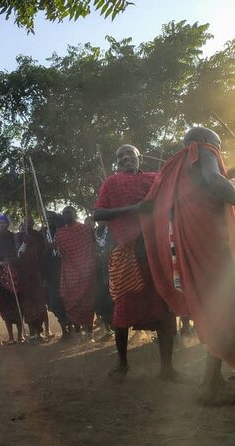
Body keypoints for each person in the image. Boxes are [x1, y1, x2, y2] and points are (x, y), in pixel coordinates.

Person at [141, 127, 235, 400]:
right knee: (224, 309)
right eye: (218, 146)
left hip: (192, 244)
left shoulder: (177, 166)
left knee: (217, 308)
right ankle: (209, 388)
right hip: (212, 245)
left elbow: (210, 181)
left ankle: (213, 379)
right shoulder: (203, 151)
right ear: (209, 142)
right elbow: (214, 181)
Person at [94, 144, 178, 381]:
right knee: (122, 312)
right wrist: (134, 209)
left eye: (129, 153)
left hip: (157, 253)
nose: (124, 158)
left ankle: (167, 369)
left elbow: (172, 203)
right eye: (119, 156)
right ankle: (122, 365)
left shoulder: (156, 178)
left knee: (164, 310)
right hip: (128, 255)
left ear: (139, 157)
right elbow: (97, 214)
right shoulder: (110, 183)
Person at [55, 207, 96, 340]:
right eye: (64, 213)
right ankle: (77, 331)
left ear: (75, 214)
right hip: (70, 272)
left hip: (85, 270)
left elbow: (92, 246)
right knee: (71, 302)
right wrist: (53, 247)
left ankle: (89, 330)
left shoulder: (85, 229)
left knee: (87, 302)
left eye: (69, 212)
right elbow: (58, 252)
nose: (66, 215)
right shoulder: (60, 233)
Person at [0, 215, 24, 344]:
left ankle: (20, 336)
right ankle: (11, 337)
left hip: (14, 275)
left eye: (4, 223)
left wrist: (11, 261)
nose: (2, 225)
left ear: (7, 224)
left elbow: (20, 253)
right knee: (5, 306)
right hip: (1, 276)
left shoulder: (15, 238)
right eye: (0, 223)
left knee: (17, 304)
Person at [17, 217, 51, 341]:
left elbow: (43, 252)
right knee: (27, 304)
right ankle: (31, 331)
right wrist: (25, 243)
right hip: (24, 275)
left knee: (39, 302)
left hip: (37, 273)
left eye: (30, 221)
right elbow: (18, 254)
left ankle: (39, 331)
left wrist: (37, 242)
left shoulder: (37, 235)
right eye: (25, 221)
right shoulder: (18, 237)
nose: (28, 223)